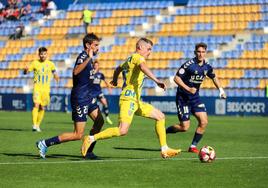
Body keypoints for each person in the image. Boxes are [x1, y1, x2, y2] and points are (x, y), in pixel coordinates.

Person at [81, 38, 181, 159]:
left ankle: (164, 149)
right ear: (140, 47)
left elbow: (118, 68)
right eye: (148, 49)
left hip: (136, 101)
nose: (150, 52)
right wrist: (157, 81)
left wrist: (114, 79)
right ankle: (90, 138)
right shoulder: (138, 57)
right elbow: (143, 67)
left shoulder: (130, 59)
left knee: (160, 116)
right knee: (122, 130)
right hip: (128, 99)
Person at [36, 33, 105, 160]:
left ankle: (88, 151)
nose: (97, 48)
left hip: (88, 97)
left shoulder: (89, 59)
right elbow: (76, 71)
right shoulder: (83, 56)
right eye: (95, 45)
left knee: (100, 121)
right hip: (80, 98)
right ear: (88, 45)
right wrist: (89, 59)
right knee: (78, 134)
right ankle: (44, 143)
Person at [166, 42, 227, 153]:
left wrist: (221, 90)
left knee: (204, 122)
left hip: (195, 98)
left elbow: (214, 77)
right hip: (183, 98)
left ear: (206, 53)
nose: (201, 54)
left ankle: (193, 146)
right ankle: (164, 131)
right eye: (198, 52)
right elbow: (176, 78)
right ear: (195, 52)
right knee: (184, 127)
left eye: (203, 52)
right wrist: (188, 88)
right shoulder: (189, 65)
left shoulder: (207, 66)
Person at [24, 47, 59, 132]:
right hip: (37, 88)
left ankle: (38, 125)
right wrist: (25, 70)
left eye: (44, 54)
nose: (43, 55)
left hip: (46, 89)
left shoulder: (51, 64)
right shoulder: (35, 63)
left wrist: (56, 77)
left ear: (47, 54)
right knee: (36, 105)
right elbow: (26, 72)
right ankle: (34, 125)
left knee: (42, 108)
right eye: (41, 54)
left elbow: (54, 72)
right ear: (39, 54)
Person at [92, 60, 113, 125]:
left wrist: (109, 88)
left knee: (105, 103)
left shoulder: (100, 74)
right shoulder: (90, 73)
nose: (96, 66)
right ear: (93, 66)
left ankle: (107, 117)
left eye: (97, 65)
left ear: (98, 66)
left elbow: (106, 82)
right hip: (92, 93)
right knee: (90, 106)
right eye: (95, 65)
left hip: (99, 92)